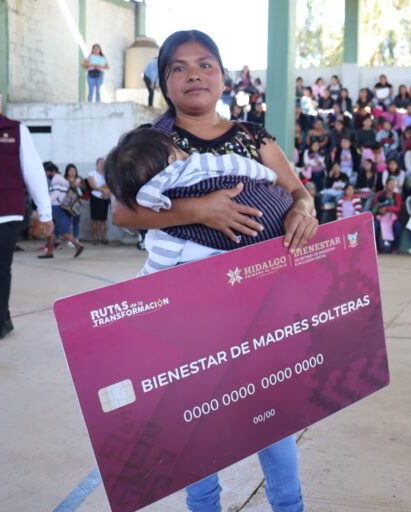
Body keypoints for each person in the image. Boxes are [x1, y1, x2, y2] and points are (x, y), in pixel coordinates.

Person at [110, 30, 316, 512]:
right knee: (198, 413)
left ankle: (290, 504)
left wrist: (299, 211)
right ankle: (203, 505)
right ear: (165, 82)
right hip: (188, 307)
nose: (194, 74)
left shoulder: (252, 137)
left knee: (272, 407)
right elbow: (122, 214)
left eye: (205, 63)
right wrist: (199, 211)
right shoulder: (153, 142)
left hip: (262, 299)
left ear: (223, 75)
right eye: (178, 67)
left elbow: (300, 192)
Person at [105, 128, 296, 275]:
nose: (194, 76)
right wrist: (267, 178)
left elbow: (162, 260)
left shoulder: (161, 205)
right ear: (172, 157)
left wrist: (144, 280)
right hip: (275, 223)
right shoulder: (200, 161)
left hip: (231, 259)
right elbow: (239, 164)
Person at [0, 76, 54, 359]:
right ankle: (5, 319)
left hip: (5, 215)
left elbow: (34, 172)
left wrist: (45, 212)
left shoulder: (16, 131)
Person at [39, 162, 85, 259]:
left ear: (51, 171)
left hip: (58, 207)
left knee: (62, 231)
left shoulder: (56, 179)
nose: (45, 173)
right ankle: (49, 252)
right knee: (53, 231)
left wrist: (46, 202)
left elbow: (56, 193)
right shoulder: (61, 178)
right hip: (59, 207)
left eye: (46, 171)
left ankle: (78, 246)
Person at [87, 157, 111, 245]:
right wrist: (103, 190)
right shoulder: (92, 173)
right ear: (96, 164)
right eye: (100, 163)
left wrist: (107, 192)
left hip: (105, 198)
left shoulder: (107, 175)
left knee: (103, 220)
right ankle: (95, 238)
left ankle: (103, 238)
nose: (102, 165)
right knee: (94, 219)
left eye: (103, 163)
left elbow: (111, 185)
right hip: (95, 197)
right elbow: (92, 185)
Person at [64, 164, 85, 241]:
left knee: (76, 221)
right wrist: (71, 184)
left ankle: (76, 238)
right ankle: (68, 239)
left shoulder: (79, 179)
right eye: (70, 171)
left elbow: (84, 191)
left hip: (77, 202)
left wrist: (80, 186)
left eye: (74, 171)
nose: (72, 172)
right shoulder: (64, 180)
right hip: (67, 202)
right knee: (68, 221)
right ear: (67, 172)